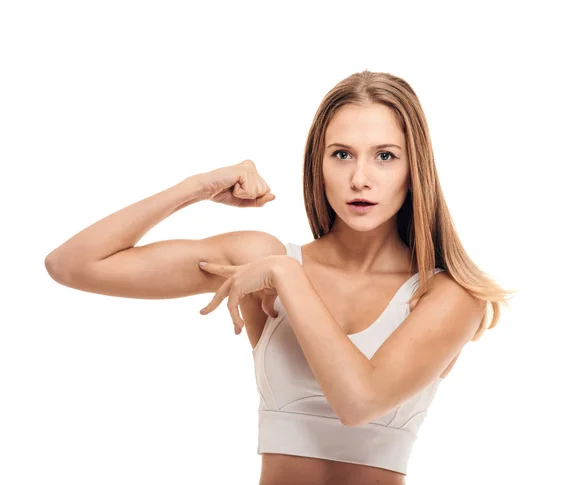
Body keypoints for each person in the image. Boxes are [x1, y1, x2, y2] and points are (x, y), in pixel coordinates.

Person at [45, 70, 513, 484]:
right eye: (342, 154)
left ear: (415, 170)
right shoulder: (264, 258)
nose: (360, 179)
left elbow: (359, 402)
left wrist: (288, 277)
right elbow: (72, 265)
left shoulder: (447, 295)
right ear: (319, 165)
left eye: (385, 156)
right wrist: (200, 186)